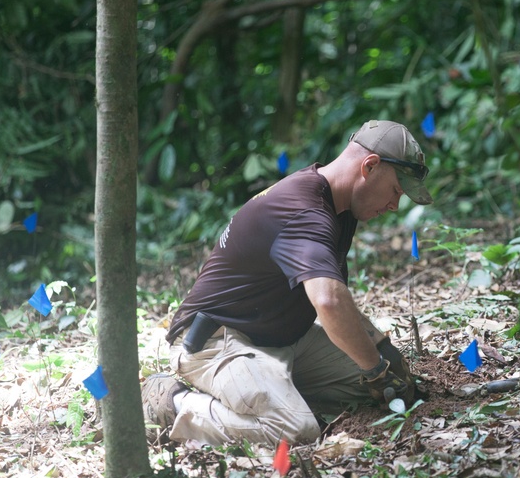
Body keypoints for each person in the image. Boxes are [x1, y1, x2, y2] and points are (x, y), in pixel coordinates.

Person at [140, 120, 431, 446]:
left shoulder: (341, 206)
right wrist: (376, 369)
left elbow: (337, 296)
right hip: (219, 341)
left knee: (375, 385)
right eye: (395, 190)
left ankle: (272, 393)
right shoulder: (304, 210)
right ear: (370, 166)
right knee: (295, 429)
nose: (395, 205)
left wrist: (381, 351)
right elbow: (328, 302)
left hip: (283, 340)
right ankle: (171, 401)